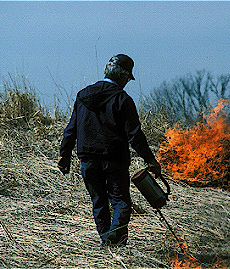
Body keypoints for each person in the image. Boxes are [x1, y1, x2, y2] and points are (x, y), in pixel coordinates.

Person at [58, 54, 162, 248]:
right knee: (121, 202)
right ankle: (113, 239)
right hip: (115, 160)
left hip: (87, 159)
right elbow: (135, 135)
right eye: (128, 79)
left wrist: (64, 155)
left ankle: (108, 243)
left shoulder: (83, 95)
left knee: (99, 203)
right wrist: (150, 160)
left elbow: (71, 128)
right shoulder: (123, 99)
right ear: (123, 76)